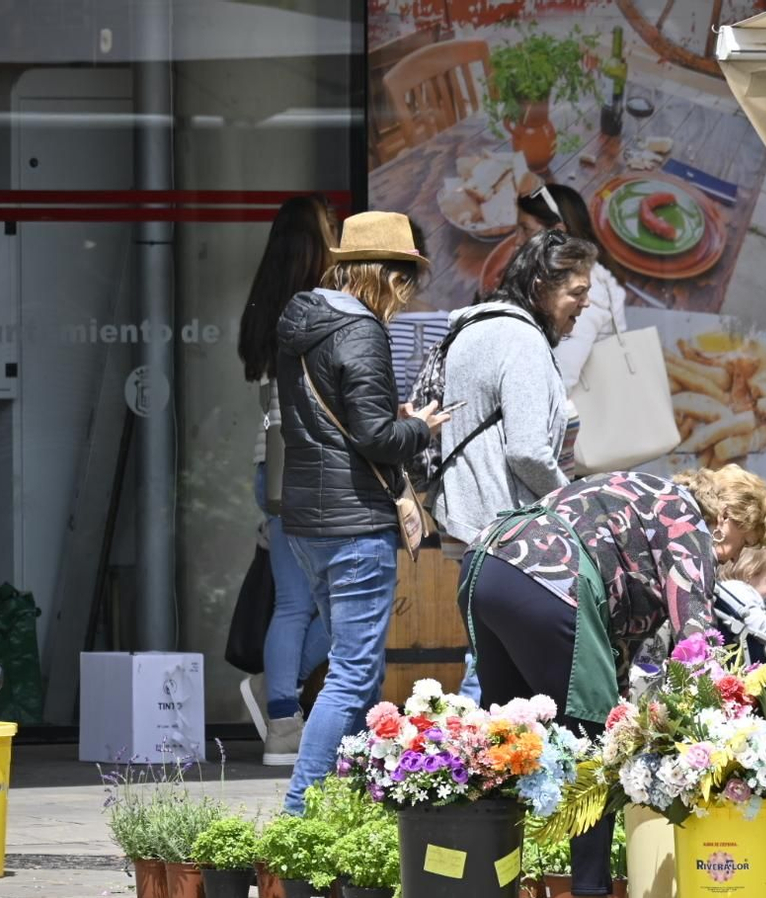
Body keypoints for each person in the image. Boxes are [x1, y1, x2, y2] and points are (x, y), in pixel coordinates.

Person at [461, 464, 766, 898]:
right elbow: (694, 645)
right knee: (596, 741)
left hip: (486, 563)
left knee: (506, 747)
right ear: (728, 520)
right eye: (743, 542)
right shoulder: (688, 522)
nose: (733, 555)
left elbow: (615, 635)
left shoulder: (638, 495)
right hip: (551, 579)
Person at [274, 211, 449, 813]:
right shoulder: (362, 331)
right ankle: (300, 813)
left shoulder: (301, 321)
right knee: (352, 675)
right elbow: (376, 437)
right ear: (388, 276)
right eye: (407, 282)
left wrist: (386, 418)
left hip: (307, 520)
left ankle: (345, 806)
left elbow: (340, 422)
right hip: (354, 523)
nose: (407, 298)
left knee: (355, 674)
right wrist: (420, 427)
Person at [429, 229, 599, 701]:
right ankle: (461, 763)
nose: (584, 305)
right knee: (494, 667)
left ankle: (467, 761)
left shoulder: (477, 326)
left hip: (472, 519)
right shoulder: (520, 338)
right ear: (542, 285)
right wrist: (571, 507)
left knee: (487, 655)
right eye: (577, 292)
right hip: (507, 530)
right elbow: (526, 450)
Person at [236, 194, 337, 765]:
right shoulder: (314, 307)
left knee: (298, 604)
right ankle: (278, 700)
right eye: (331, 227)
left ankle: (280, 710)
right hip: (305, 464)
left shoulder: (267, 304)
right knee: (332, 602)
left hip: (270, 466)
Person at [516, 183, 629, 471]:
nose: (518, 241)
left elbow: (563, 372)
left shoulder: (584, 287)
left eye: (526, 230)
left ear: (559, 232)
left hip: (574, 449)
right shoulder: (576, 280)